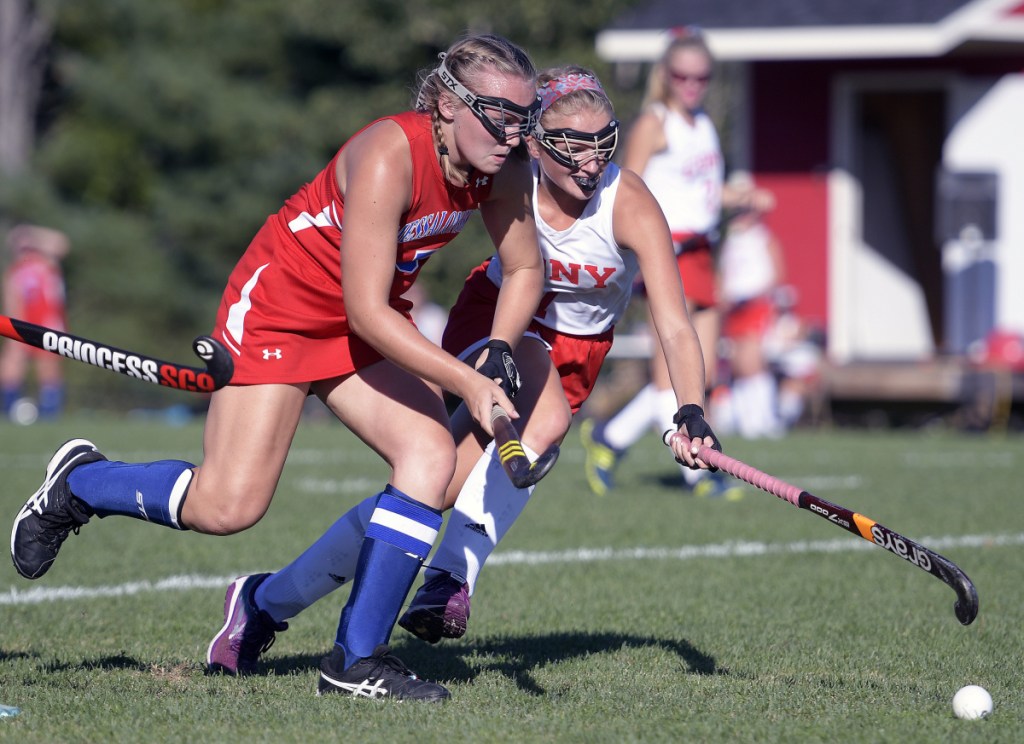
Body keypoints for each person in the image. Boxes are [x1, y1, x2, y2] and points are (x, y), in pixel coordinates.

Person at [11, 33, 545, 702]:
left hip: (365, 317)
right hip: (283, 309)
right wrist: (469, 381)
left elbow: (526, 267)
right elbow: (365, 313)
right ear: (445, 103)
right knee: (227, 506)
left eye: (523, 118)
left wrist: (496, 347)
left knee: (429, 458)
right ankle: (84, 485)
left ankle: (354, 662)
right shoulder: (388, 154)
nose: (511, 132)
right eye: (497, 113)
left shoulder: (505, 169)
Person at [199, 65, 722, 666]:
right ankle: (449, 577)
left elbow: (675, 323)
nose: (589, 164)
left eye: (602, 143)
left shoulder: (626, 201)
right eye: (571, 147)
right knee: (545, 420)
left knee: (432, 489)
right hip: (499, 325)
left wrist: (690, 410)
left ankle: (265, 602)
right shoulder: (509, 178)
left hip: (580, 352)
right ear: (532, 140)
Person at [579, 27, 773, 499]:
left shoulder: (703, 123)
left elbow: (701, 191)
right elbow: (627, 188)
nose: (692, 84)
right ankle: (698, 472)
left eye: (701, 77)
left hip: (705, 250)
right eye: (682, 75)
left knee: (697, 375)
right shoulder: (654, 121)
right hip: (671, 252)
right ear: (665, 74)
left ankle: (610, 436)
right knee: (672, 374)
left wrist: (739, 196)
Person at [715, 174, 785, 439]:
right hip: (734, 307)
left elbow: (776, 274)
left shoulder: (762, 237)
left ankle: (765, 418)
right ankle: (749, 421)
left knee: (753, 360)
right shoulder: (731, 239)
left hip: (755, 303)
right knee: (739, 363)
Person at [1, 224, 71, 422]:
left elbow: (61, 242)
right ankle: (7, 407)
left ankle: (50, 412)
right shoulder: (14, 271)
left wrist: (29, 232)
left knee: (48, 366)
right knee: (12, 361)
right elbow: (11, 300)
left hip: (48, 322)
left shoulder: (46, 262)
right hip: (22, 321)